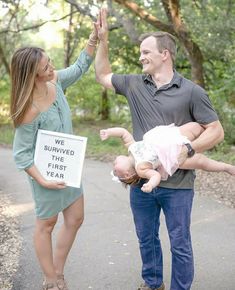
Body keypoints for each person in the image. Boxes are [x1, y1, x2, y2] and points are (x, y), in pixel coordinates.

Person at [95, 9, 225, 290]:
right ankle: (153, 283)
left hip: (178, 184)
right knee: (146, 237)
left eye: (146, 51)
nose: (141, 56)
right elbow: (102, 74)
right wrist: (102, 40)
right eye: (140, 52)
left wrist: (189, 148)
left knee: (179, 242)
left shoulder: (191, 91)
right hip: (141, 179)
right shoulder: (133, 84)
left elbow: (216, 131)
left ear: (164, 54)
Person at [10, 23, 99, 290]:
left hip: (68, 168)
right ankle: (50, 279)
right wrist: (44, 181)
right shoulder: (29, 110)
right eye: (47, 67)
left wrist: (93, 39)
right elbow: (22, 154)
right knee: (46, 224)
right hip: (45, 176)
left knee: (75, 219)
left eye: (50, 63)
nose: (52, 68)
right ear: (32, 75)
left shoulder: (55, 82)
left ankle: (58, 271)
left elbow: (80, 66)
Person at [100, 123, 235, 193]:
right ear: (128, 174)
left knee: (192, 128)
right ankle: (226, 167)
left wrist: (109, 132)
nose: (113, 165)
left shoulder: (131, 147)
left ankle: (210, 134)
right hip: (172, 158)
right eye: (115, 170)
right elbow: (156, 176)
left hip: (166, 138)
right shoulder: (140, 168)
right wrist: (150, 185)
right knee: (201, 162)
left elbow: (123, 133)